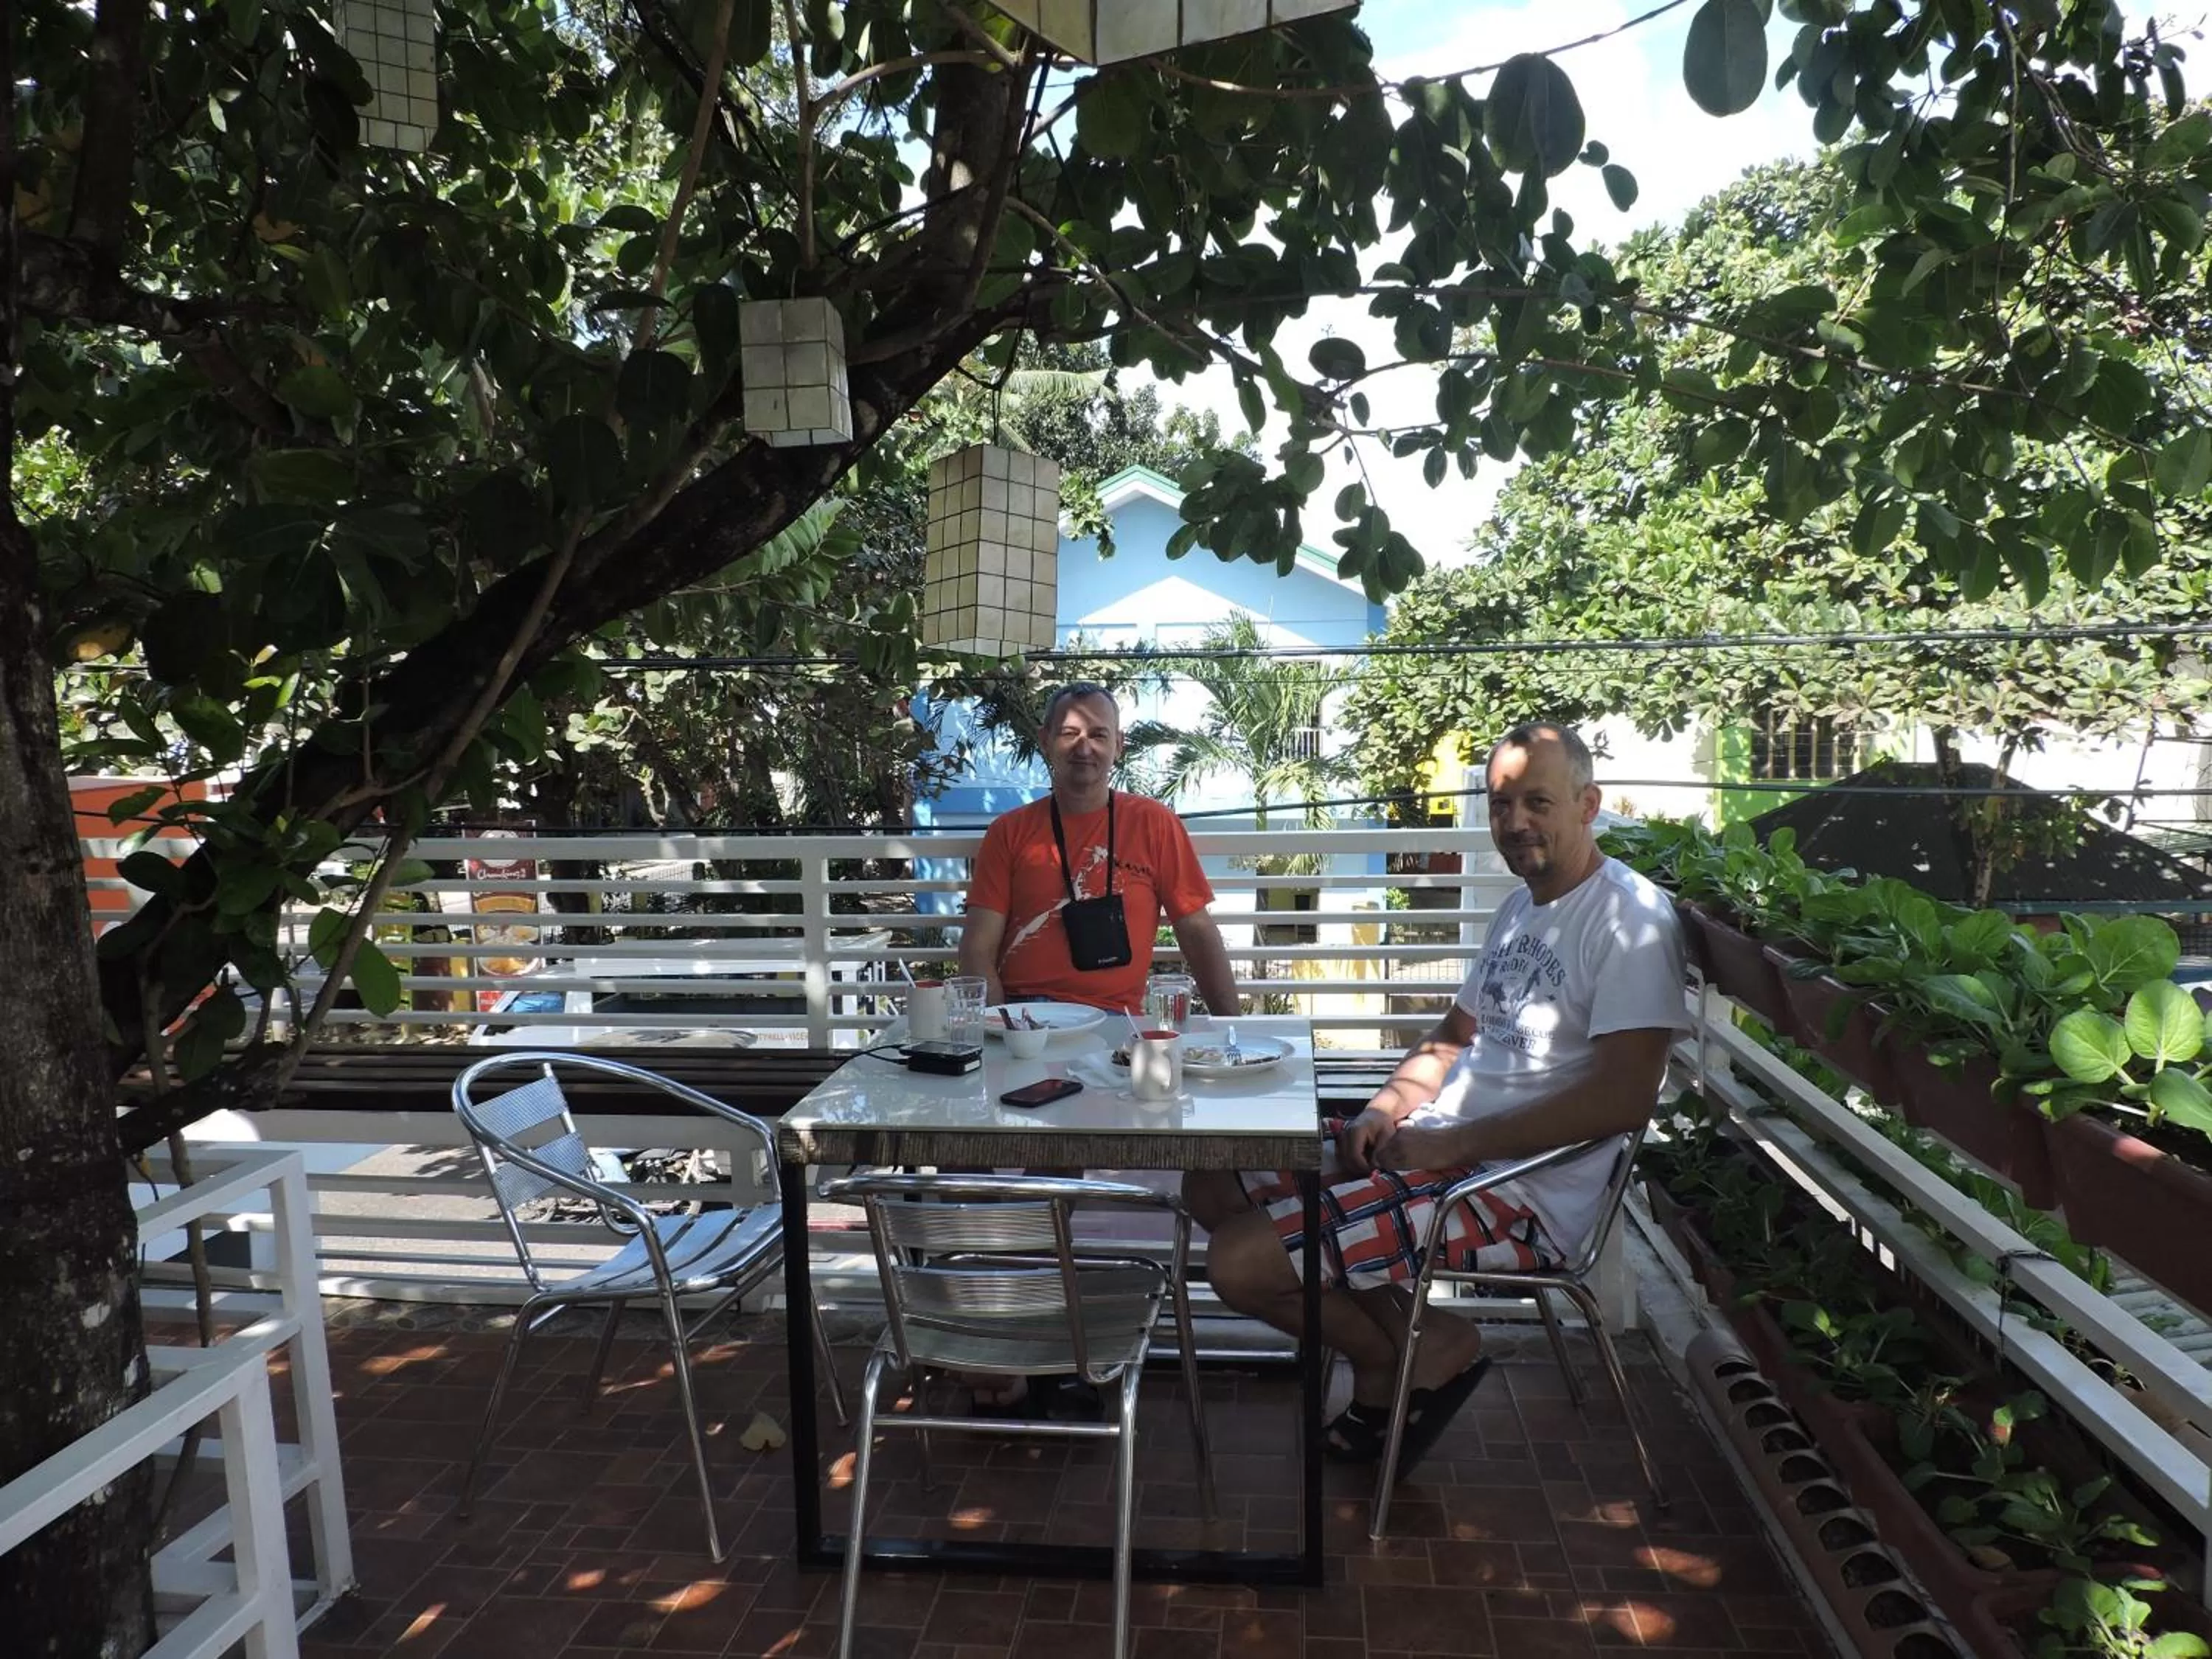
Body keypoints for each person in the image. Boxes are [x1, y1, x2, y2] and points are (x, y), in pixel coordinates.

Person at [1183, 720, 1689, 1478]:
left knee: (1239, 1262)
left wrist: (1453, 1145)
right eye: (1501, 803)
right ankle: (1418, 1344)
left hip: (1512, 1190)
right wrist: (1385, 1109)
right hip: (1443, 1151)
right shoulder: (1522, 910)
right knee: (1212, 1173)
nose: (1514, 823)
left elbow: (1623, 1098)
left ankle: (1392, 1361)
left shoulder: (1630, 920)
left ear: (1589, 805)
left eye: (1537, 802)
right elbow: (1451, 1039)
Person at [956, 681, 1239, 1020]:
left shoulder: (1154, 824)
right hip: (1027, 1015)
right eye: (1069, 733)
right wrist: (1003, 1028)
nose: (1084, 747)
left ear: (1119, 745)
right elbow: (977, 949)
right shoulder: (1009, 832)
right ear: (1045, 740)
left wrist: (1232, 1029)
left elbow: (1197, 931)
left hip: (1116, 1021)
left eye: (1098, 735)